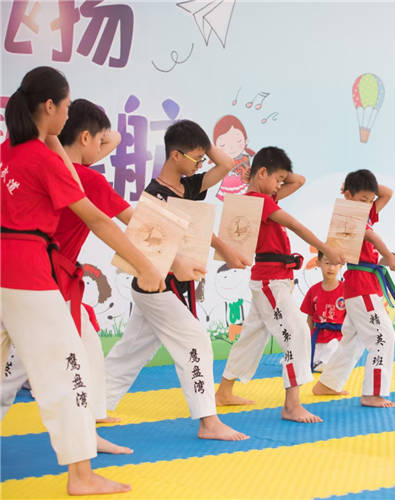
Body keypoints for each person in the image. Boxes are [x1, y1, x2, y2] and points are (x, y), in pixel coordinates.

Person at [1, 66, 165, 495]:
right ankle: (81, 475)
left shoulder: (8, 153)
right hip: (27, 272)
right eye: (66, 105)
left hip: (8, 270)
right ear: (50, 106)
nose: (68, 113)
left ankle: (83, 462)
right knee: (69, 367)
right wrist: (147, 265)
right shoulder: (43, 160)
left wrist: (52, 137)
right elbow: (99, 221)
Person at [2, 98, 135, 454]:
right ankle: (83, 445)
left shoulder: (51, 166)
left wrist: (61, 138)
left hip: (37, 276)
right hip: (45, 281)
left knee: (82, 351)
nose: (106, 145)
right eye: (97, 139)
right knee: (24, 370)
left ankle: (88, 434)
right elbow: (126, 221)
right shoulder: (85, 179)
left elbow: (108, 140)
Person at [104, 119, 250, 441]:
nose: (201, 163)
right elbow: (147, 244)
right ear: (174, 155)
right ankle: (208, 422)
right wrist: (177, 266)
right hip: (156, 284)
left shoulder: (191, 187)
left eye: (202, 158)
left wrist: (227, 250)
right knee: (196, 341)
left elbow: (226, 164)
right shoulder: (154, 195)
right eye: (196, 158)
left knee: (131, 350)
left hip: (171, 286)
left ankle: (96, 407)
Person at [214, 146, 345, 423]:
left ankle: (223, 392)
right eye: (277, 180)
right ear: (262, 173)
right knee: (297, 333)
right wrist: (326, 249)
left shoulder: (261, 199)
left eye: (281, 181)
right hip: (269, 281)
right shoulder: (259, 202)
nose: (280, 185)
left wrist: (273, 175)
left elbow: (299, 180)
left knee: (251, 337)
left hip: (274, 279)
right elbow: (296, 225)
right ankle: (292, 405)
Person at [312, 170, 395, 408]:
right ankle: (373, 393)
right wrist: (389, 256)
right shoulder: (348, 215)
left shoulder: (364, 210)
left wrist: (361, 186)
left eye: (370, 200)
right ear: (348, 196)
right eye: (363, 199)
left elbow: (387, 194)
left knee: (353, 340)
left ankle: (328, 384)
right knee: (383, 337)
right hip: (361, 285)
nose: (368, 204)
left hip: (361, 284)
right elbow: (371, 237)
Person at [300, 251, 346, 372]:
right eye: (327, 263)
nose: (331, 268)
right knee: (303, 354)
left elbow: (351, 318)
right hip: (318, 337)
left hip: (338, 337)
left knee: (335, 348)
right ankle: (316, 363)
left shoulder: (346, 290)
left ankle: (323, 363)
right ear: (318, 263)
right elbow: (310, 318)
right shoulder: (313, 290)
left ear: (341, 265)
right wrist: (307, 339)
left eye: (335, 264)